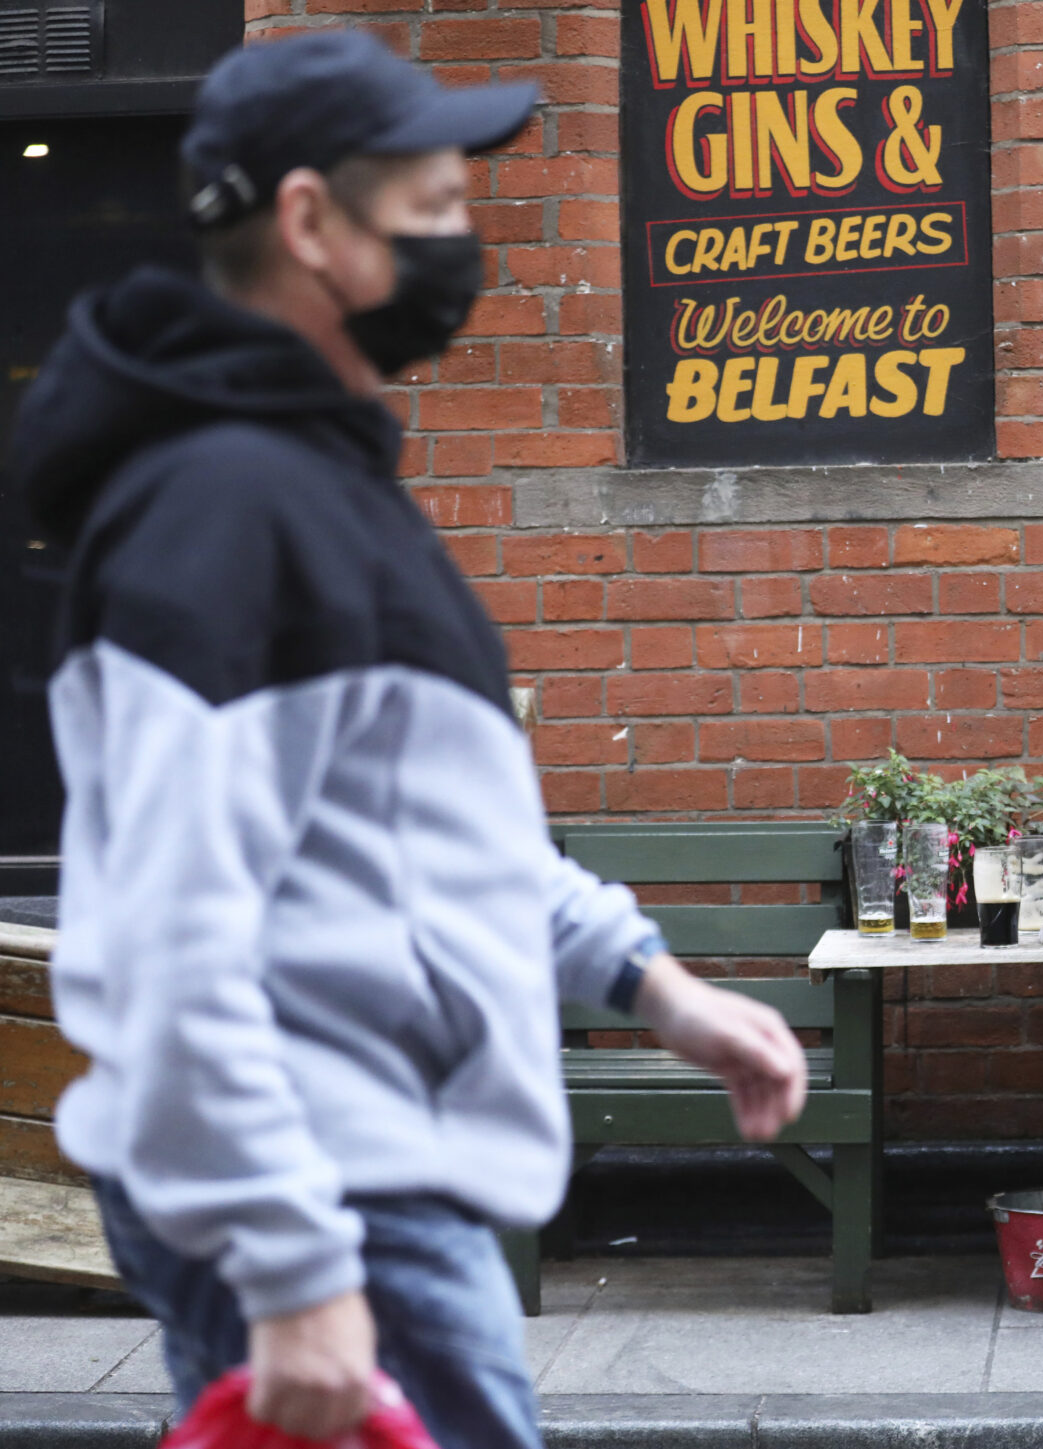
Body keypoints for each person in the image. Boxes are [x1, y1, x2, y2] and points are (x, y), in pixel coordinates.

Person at [6, 31, 810, 1448]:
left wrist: (653, 986)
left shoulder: (303, 483)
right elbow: (168, 932)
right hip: (335, 1197)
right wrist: (297, 1265)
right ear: (312, 221)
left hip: (363, 1185)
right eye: (435, 209)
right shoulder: (226, 503)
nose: (464, 244)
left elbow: (422, 839)